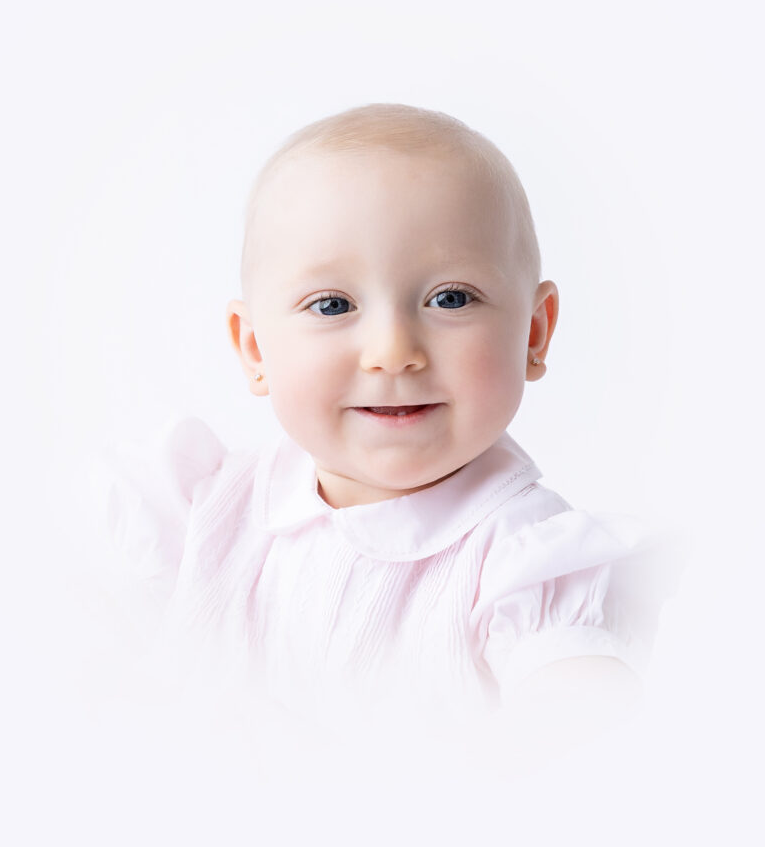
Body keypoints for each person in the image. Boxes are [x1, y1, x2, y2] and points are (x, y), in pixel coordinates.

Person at [103, 103, 681, 759]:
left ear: (533, 332)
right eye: (332, 305)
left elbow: (580, 737)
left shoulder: (523, 565)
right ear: (255, 350)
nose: (392, 350)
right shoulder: (199, 512)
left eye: (450, 298)